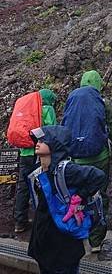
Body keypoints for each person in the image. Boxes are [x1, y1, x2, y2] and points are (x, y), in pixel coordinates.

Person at [28, 125, 105, 274]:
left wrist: (79, 197)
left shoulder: (67, 170)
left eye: (42, 140)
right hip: (44, 242)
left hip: (64, 245)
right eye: (37, 140)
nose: (37, 144)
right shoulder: (39, 171)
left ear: (55, 144)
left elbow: (98, 176)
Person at [62, 70, 112, 253]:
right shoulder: (104, 103)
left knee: (77, 197)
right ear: (98, 84)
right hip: (99, 159)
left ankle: (78, 236)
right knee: (98, 196)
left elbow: (64, 127)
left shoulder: (71, 100)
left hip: (76, 160)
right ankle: (96, 241)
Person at [14, 89, 57, 233]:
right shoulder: (47, 109)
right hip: (38, 153)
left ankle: (20, 222)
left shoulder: (28, 109)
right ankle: (42, 222)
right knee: (42, 185)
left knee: (23, 187)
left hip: (24, 153)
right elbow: (52, 131)